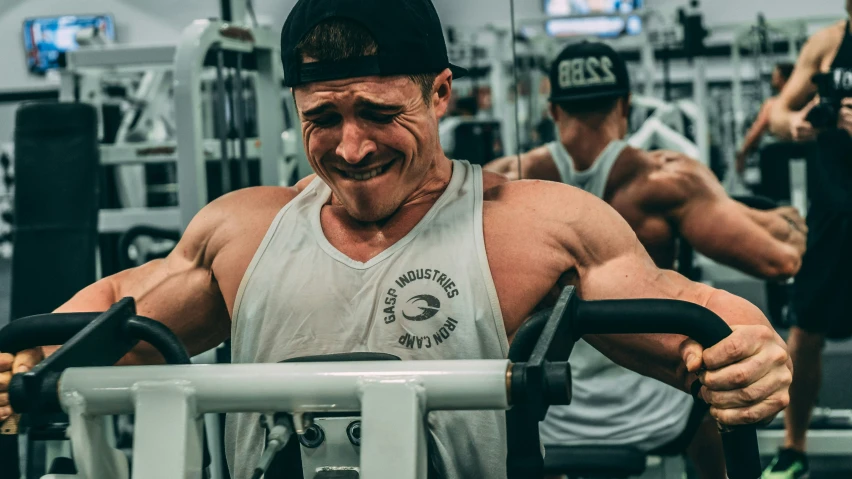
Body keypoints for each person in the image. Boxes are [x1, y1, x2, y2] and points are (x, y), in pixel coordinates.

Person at [0, 2, 792, 479]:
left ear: (440, 91)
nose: (351, 147)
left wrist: (752, 350)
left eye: (380, 113)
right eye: (323, 119)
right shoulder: (242, 230)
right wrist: (24, 361)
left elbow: (698, 315)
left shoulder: (537, 222)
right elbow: (108, 310)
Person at [485, 42, 806, 479]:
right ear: (625, 105)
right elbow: (779, 262)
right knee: (705, 404)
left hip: (548, 409)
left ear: (555, 111)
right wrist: (778, 223)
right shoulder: (665, 180)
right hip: (653, 402)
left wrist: (747, 212)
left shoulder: (507, 186)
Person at [766, 2, 852, 477]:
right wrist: (793, 123)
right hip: (831, 212)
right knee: (805, 330)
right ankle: (793, 448)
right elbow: (779, 111)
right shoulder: (826, 43)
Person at [736, 62, 795, 174]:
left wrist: (742, 153)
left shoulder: (773, 104)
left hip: (781, 157)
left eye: (775, 75)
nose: (773, 78)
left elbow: (756, 131)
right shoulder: (804, 101)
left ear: (782, 78)